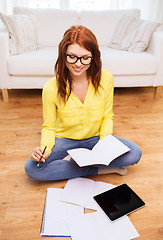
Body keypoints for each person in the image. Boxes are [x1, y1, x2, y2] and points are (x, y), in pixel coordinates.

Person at [25, 25, 142, 181]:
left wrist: (104, 146)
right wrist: (44, 149)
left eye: (85, 57)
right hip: (64, 140)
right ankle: (98, 170)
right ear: (63, 55)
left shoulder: (106, 78)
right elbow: (49, 126)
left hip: (95, 139)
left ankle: (73, 165)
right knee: (33, 169)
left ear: (93, 57)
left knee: (134, 153)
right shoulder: (50, 88)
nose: (78, 64)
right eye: (72, 56)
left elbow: (107, 116)